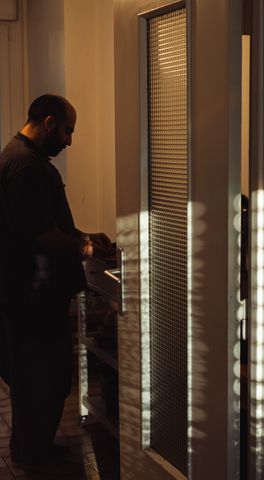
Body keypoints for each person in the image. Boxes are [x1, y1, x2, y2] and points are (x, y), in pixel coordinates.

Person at [0, 94, 111, 475]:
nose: (69, 141)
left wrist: (84, 233)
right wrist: (82, 245)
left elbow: (50, 224)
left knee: (38, 378)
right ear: (49, 123)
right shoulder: (25, 165)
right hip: (33, 295)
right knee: (39, 379)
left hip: (29, 294)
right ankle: (31, 456)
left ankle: (31, 449)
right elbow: (40, 233)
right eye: (67, 131)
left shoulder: (20, 158)